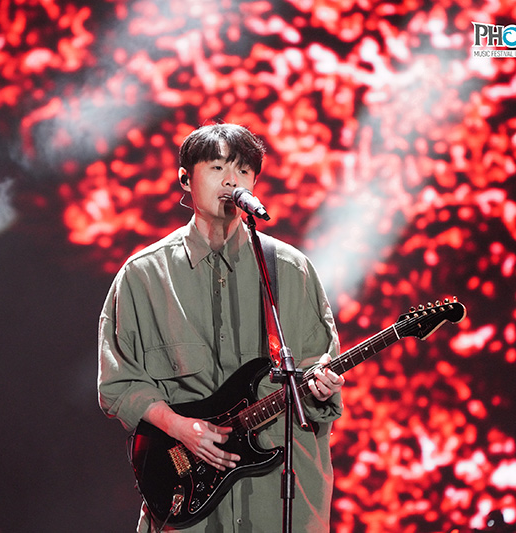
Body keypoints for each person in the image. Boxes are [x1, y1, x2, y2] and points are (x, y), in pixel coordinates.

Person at [98, 123, 345, 532]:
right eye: (217, 168)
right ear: (185, 179)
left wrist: (322, 386)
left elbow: (320, 380)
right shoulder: (144, 277)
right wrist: (179, 427)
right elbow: (118, 385)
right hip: (191, 502)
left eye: (243, 170)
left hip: (278, 502)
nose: (232, 181)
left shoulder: (291, 271)